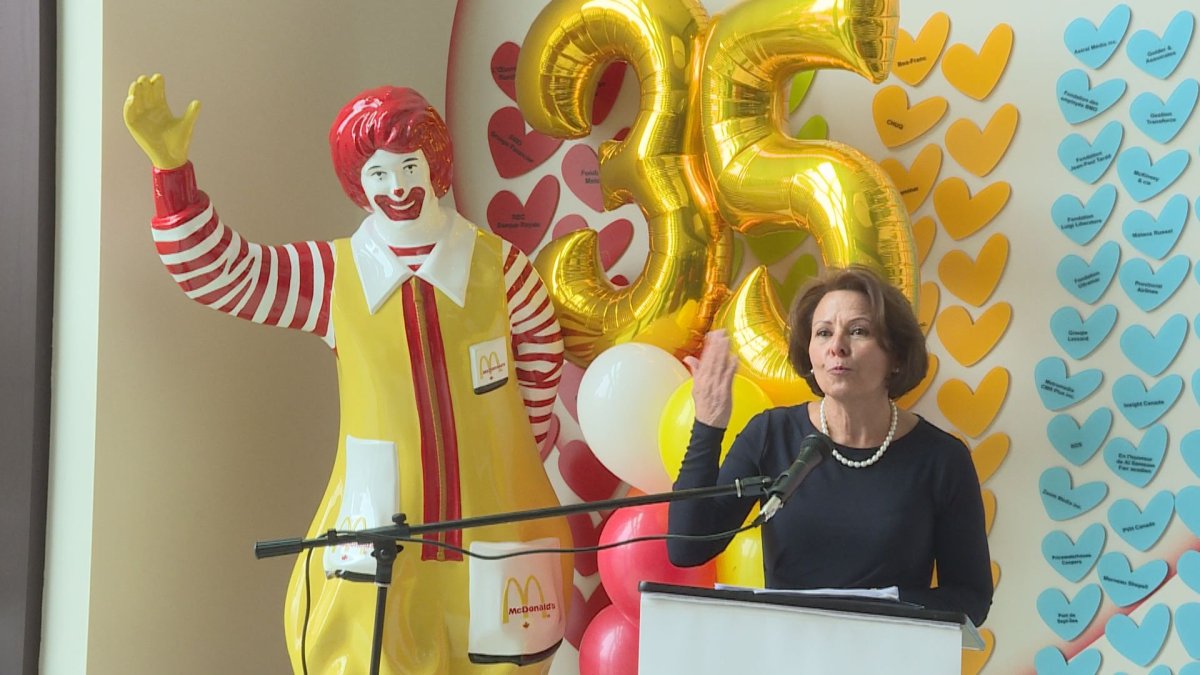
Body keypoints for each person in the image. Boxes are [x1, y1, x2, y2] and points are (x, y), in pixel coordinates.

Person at [124, 74, 573, 673]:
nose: (397, 187)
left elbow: (542, 358)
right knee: (367, 654)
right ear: (358, 185)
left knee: (504, 659)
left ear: (434, 167)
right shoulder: (335, 275)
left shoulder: (503, 268)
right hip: (378, 526)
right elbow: (224, 274)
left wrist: (517, 458)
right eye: (378, 174)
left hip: (496, 526)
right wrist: (171, 173)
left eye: (408, 167)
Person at [667, 265, 993, 626]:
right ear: (810, 354)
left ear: (896, 357)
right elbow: (687, 546)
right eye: (823, 333)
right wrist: (708, 423)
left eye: (858, 331)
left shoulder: (942, 459)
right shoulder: (770, 435)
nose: (837, 346)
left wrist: (869, 610)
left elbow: (971, 598)